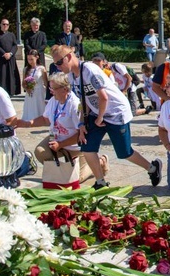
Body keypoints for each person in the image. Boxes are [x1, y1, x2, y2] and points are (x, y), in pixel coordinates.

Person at [50, 44, 162, 189]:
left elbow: (103, 97)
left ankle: (152, 168)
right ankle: (100, 182)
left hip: (115, 112)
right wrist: (82, 123)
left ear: (69, 57)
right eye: (55, 63)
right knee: (87, 147)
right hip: (98, 112)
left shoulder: (89, 70)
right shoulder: (71, 76)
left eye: (59, 62)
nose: (58, 66)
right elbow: (84, 100)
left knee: (124, 152)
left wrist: (100, 118)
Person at [15, 72, 108, 184]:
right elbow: (46, 119)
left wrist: (61, 145)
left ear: (64, 89)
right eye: (50, 87)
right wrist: (27, 123)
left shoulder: (74, 105)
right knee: (40, 152)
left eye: (53, 88)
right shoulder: (54, 100)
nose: (50, 90)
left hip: (74, 146)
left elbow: (80, 134)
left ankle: (100, 161)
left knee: (76, 179)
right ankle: (60, 171)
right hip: (56, 138)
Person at [0, 19, 21, 97]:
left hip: (10, 59)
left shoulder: (11, 35)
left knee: (11, 75)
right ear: (0, 25)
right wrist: (4, 54)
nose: (5, 26)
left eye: (7, 24)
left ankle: (11, 91)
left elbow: (15, 45)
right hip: (0, 59)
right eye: (4, 24)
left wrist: (10, 53)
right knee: (1, 75)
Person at [22, 49, 48, 121]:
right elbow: (23, 83)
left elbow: (46, 82)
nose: (30, 61)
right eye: (28, 59)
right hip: (30, 91)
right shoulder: (26, 69)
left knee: (40, 107)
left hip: (40, 91)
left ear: (37, 57)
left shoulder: (41, 68)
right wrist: (27, 88)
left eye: (31, 59)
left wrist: (48, 93)